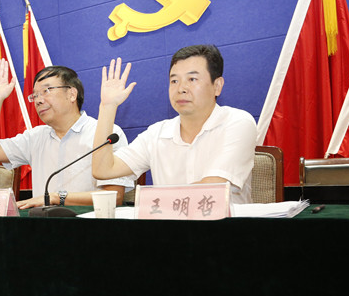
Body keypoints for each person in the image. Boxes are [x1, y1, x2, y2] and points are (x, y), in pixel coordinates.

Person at [92, 45, 257, 204]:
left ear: (217, 86)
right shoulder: (156, 133)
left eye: (192, 79)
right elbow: (103, 170)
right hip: (169, 223)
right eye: (174, 81)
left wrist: (152, 201)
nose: (181, 88)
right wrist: (107, 107)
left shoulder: (237, 122)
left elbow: (211, 190)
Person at [0, 59, 132, 209]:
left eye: (46, 91)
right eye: (35, 95)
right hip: (44, 222)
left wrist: (56, 198)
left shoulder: (107, 134)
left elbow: (114, 196)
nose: (38, 101)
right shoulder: (36, 137)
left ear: (72, 94)